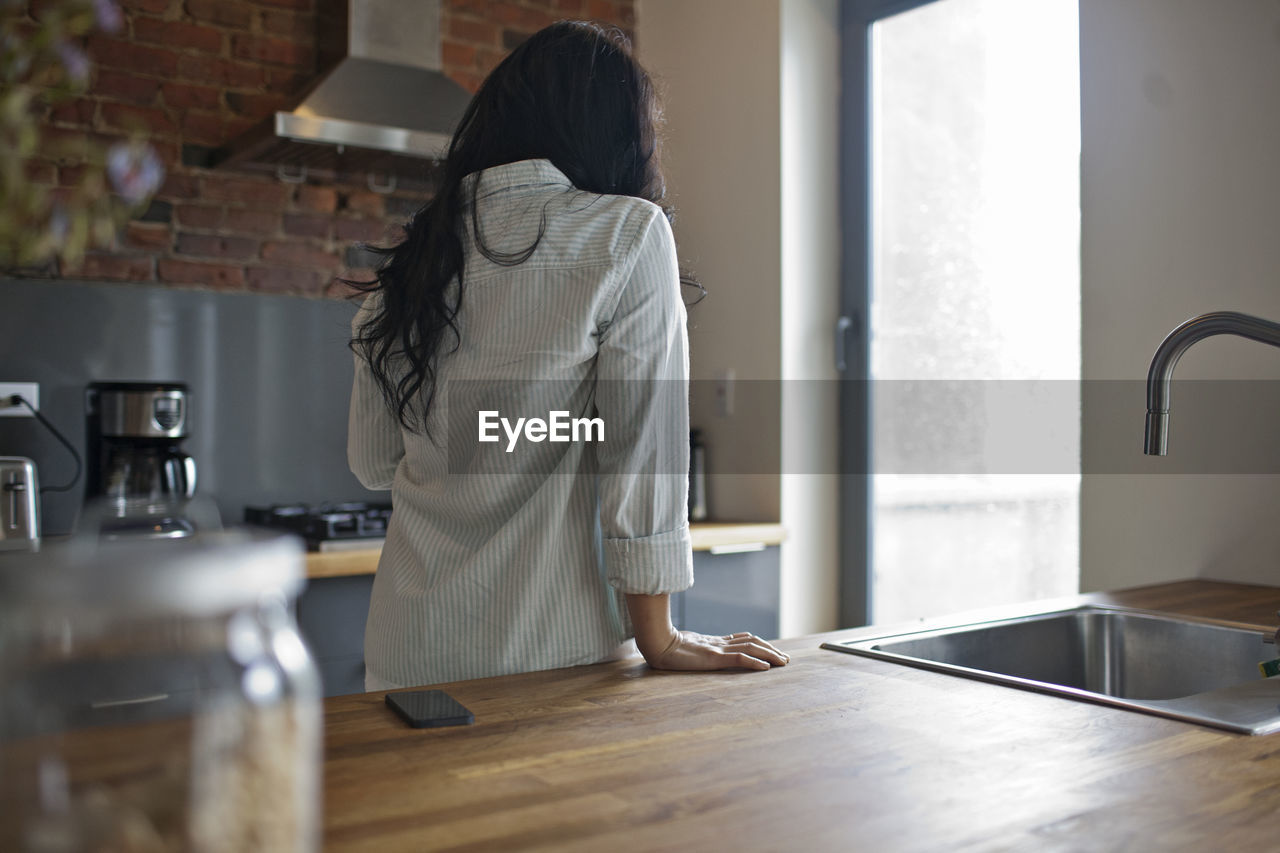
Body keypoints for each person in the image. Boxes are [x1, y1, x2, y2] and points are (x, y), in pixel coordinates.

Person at [347, 20, 788, 690]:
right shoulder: (626, 233)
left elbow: (373, 462)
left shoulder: (413, 267)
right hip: (552, 660)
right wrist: (659, 636)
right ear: (613, 133)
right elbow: (643, 453)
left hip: (407, 654)